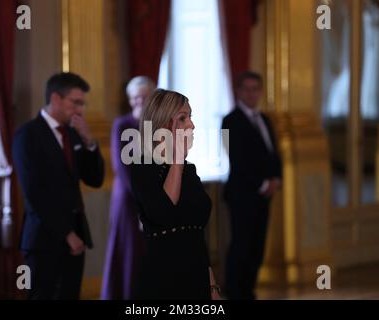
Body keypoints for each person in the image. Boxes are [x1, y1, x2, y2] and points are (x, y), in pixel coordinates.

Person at [13, 72, 105, 300]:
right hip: (44, 240)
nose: (80, 110)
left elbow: (94, 179)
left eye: (82, 104)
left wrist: (90, 141)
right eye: (76, 102)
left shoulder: (73, 133)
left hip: (76, 238)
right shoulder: (28, 135)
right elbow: (34, 194)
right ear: (55, 99)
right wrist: (67, 234)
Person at [130, 89, 221, 300]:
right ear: (163, 125)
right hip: (162, 281)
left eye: (190, 116)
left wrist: (213, 285)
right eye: (182, 118)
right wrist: (177, 160)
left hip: (197, 279)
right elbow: (163, 212)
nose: (191, 125)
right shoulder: (142, 166)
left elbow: (196, 235)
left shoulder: (189, 170)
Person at [222, 71, 282, 300]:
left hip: (265, 195)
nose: (251, 93)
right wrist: (262, 183)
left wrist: (276, 179)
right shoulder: (229, 121)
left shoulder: (265, 119)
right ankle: (235, 292)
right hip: (242, 194)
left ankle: (248, 291)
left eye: (255, 89)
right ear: (238, 91)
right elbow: (236, 159)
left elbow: (273, 154)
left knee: (258, 245)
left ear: (260, 92)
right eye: (246, 89)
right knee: (241, 245)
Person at [101, 76, 156, 300]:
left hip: (157, 199)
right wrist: (145, 201)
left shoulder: (161, 125)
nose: (139, 102)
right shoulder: (122, 125)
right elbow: (122, 168)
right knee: (130, 252)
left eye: (144, 97)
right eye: (135, 98)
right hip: (130, 201)